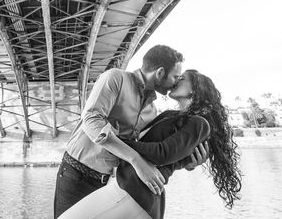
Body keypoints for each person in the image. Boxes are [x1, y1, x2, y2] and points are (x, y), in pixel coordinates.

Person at [59, 69, 242, 218]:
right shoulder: (173, 116)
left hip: (135, 192)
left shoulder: (200, 123)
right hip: (130, 189)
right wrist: (187, 163)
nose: (177, 79)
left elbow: (162, 154)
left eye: (183, 78)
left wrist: (116, 140)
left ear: (195, 89)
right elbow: (169, 152)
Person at [53, 45, 207, 218]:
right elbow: (90, 120)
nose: (175, 84)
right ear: (160, 72)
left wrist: (188, 163)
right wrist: (135, 160)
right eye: (175, 77)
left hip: (110, 183)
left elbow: (155, 151)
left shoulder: (152, 111)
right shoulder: (115, 78)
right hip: (76, 174)